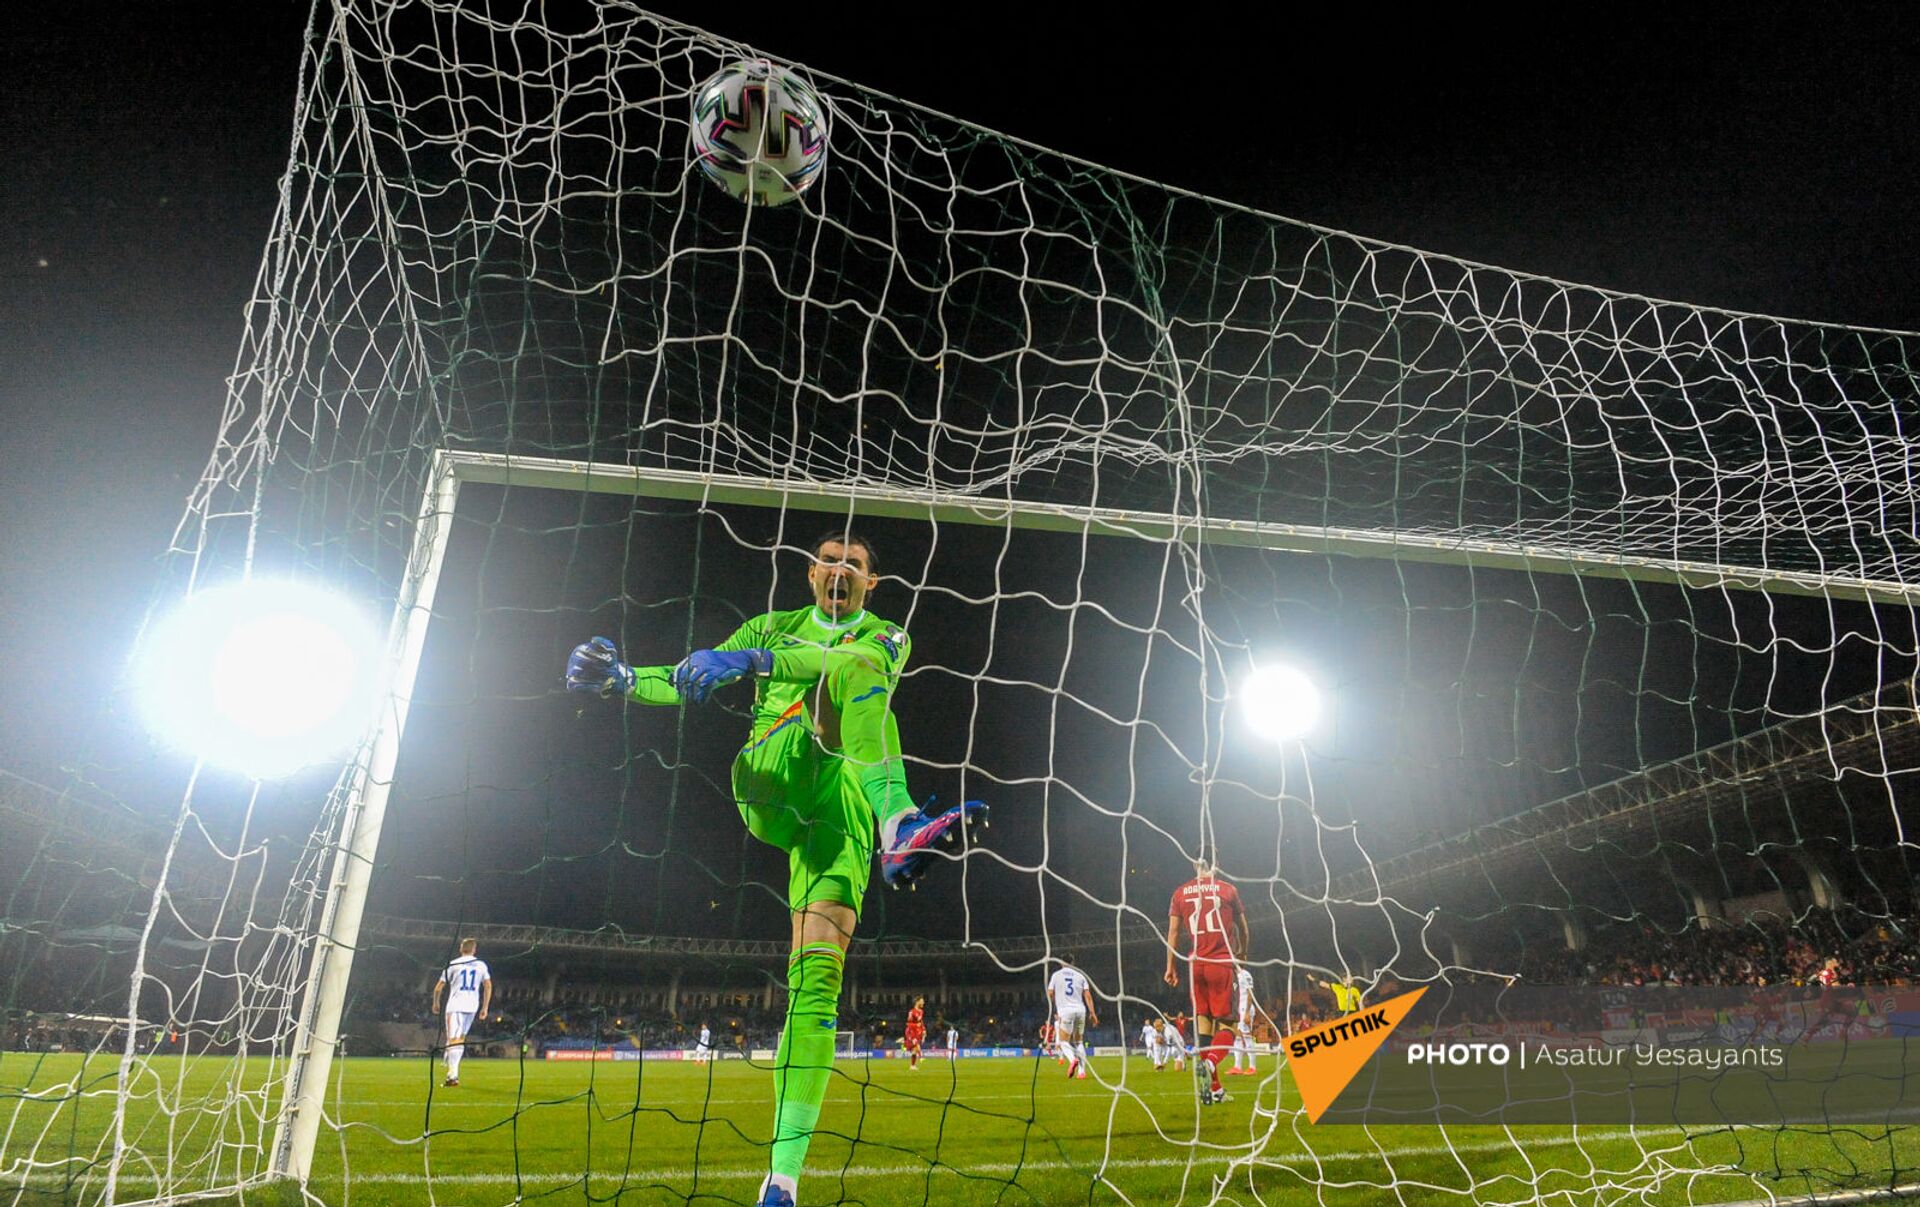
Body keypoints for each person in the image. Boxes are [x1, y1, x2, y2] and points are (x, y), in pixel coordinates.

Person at [566, 530, 987, 1207]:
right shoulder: (771, 623)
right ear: (811, 574)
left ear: (871, 583)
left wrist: (753, 660)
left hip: (839, 814)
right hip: (771, 770)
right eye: (830, 560)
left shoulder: (889, 634)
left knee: (816, 983)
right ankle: (902, 823)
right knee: (833, 684)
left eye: (854, 562)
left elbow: (837, 659)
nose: (840, 569)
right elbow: (687, 679)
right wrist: (624, 680)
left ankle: (781, 1180)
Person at [1165, 858, 1246, 1106]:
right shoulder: (1227, 889)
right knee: (1229, 1028)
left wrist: (1170, 966)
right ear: (1217, 863)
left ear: (1193, 864)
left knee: (1205, 1027)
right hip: (1220, 962)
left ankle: (1213, 1089)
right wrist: (1242, 953)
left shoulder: (1180, 892)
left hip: (1195, 965)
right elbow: (1243, 927)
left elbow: (1174, 933)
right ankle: (1210, 1062)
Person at [430, 938, 491, 1088]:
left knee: (454, 1039)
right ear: (474, 949)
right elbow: (488, 986)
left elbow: (438, 987)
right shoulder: (481, 965)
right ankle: (451, 1065)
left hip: (456, 1005)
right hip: (472, 1006)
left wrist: (436, 1002)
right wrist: (485, 1008)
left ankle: (453, 1076)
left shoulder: (453, 964)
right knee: (460, 1039)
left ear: (460, 949)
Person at [1045, 956, 1098, 1079]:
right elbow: (1088, 995)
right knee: (1079, 1041)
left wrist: (1053, 1004)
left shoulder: (1056, 975)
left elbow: (1050, 993)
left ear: (1061, 963)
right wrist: (1093, 1013)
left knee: (1063, 1042)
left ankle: (1073, 1059)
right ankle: (1081, 1072)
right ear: (1073, 963)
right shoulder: (1081, 976)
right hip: (1080, 1011)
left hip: (1065, 1011)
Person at [1229, 965, 1259, 1075]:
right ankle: (1237, 1066)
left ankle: (1252, 1067)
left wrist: (1246, 1011)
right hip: (1237, 1010)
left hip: (1245, 1008)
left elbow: (1250, 994)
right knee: (1237, 1037)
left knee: (1246, 1036)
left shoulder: (1245, 974)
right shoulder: (1232, 975)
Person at [903, 997, 927, 1070]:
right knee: (916, 1047)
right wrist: (916, 1025)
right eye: (922, 1001)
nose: (923, 1003)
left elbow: (921, 1021)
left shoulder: (921, 1011)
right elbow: (908, 1024)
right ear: (917, 1002)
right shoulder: (911, 1012)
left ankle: (912, 1066)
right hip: (910, 1032)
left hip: (917, 1032)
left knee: (914, 1049)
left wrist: (923, 1029)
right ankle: (920, 1058)